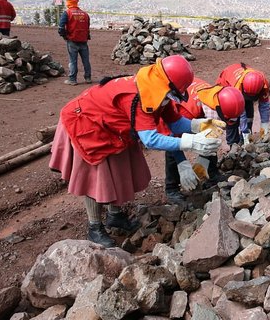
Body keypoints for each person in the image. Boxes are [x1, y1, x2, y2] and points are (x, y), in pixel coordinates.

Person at [49, 56, 222, 248]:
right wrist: (191, 142)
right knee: (96, 179)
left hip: (114, 129)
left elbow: (175, 122)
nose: (172, 99)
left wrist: (198, 125)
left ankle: (115, 216)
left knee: (120, 171)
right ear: (166, 86)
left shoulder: (158, 90)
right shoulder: (140, 97)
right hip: (87, 126)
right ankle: (94, 227)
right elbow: (151, 139)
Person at [163, 78, 245, 206]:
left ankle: (212, 173)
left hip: (199, 107)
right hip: (179, 114)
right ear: (217, 110)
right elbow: (172, 139)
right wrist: (182, 164)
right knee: (174, 146)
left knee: (211, 138)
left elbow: (214, 133)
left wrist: (204, 160)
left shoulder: (224, 97)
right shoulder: (188, 110)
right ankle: (171, 188)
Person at [215, 63, 270, 146]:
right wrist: (245, 131)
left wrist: (264, 127)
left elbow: (265, 106)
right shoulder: (236, 86)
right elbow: (241, 113)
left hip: (242, 89)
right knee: (232, 118)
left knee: (249, 111)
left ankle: (246, 139)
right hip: (226, 89)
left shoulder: (263, 83)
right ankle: (233, 145)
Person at [59, 0, 92, 85]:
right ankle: (88, 78)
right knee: (86, 60)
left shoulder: (67, 13)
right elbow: (87, 28)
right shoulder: (85, 14)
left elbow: (61, 28)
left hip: (72, 41)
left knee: (73, 61)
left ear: (69, 1)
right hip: (83, 41)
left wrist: (65, 37)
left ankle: (72, 79)